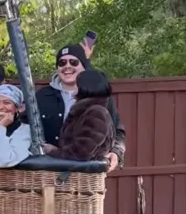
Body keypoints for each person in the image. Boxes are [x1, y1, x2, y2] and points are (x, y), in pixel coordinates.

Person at [34, 43, 126, 171]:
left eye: (73, 62)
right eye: (62, 63)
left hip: (84, 174)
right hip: (45, 171)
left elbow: (117, 131)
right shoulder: (41, 96)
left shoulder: (101, 100)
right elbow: (25, 126)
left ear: (84, 66)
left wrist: (116, 152)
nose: (67, 66)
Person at [47, 70, 115, 162]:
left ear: (85, 86)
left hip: (84, 173)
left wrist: (52, 151)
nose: (73, 85)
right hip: (77, 171)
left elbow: (81, 153)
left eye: (76, 83)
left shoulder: (96, 113)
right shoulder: (87, 110)